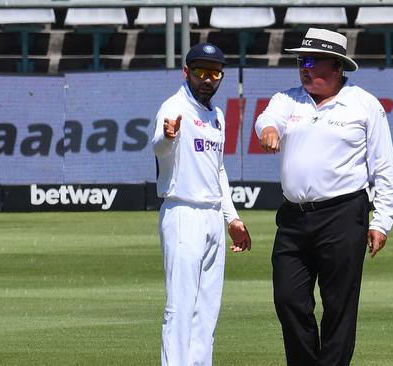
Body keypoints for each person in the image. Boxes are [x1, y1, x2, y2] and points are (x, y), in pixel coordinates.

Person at [255, 28, 393, 366]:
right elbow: (266, 119)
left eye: (310, 61)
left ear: (335, 67)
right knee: (288, 299)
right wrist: (269, 130)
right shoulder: (287, 99)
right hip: (293, 216)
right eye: (300, 61)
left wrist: (382, 221)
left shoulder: (364, 105)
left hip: (343, 214)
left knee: (339, 305)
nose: (303, 68)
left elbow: (384, 167)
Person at [152, 42, 252, 366]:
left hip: (211, 216)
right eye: (200, 72)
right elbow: (159, 148)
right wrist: (168, 137)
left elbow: (218, 170)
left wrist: (232, 219)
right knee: (180, 307)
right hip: (183, 212)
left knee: (207, 309)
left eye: (214, 73)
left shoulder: (217, 116)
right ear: (186, 72)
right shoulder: (173, 107)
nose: (207, 79)